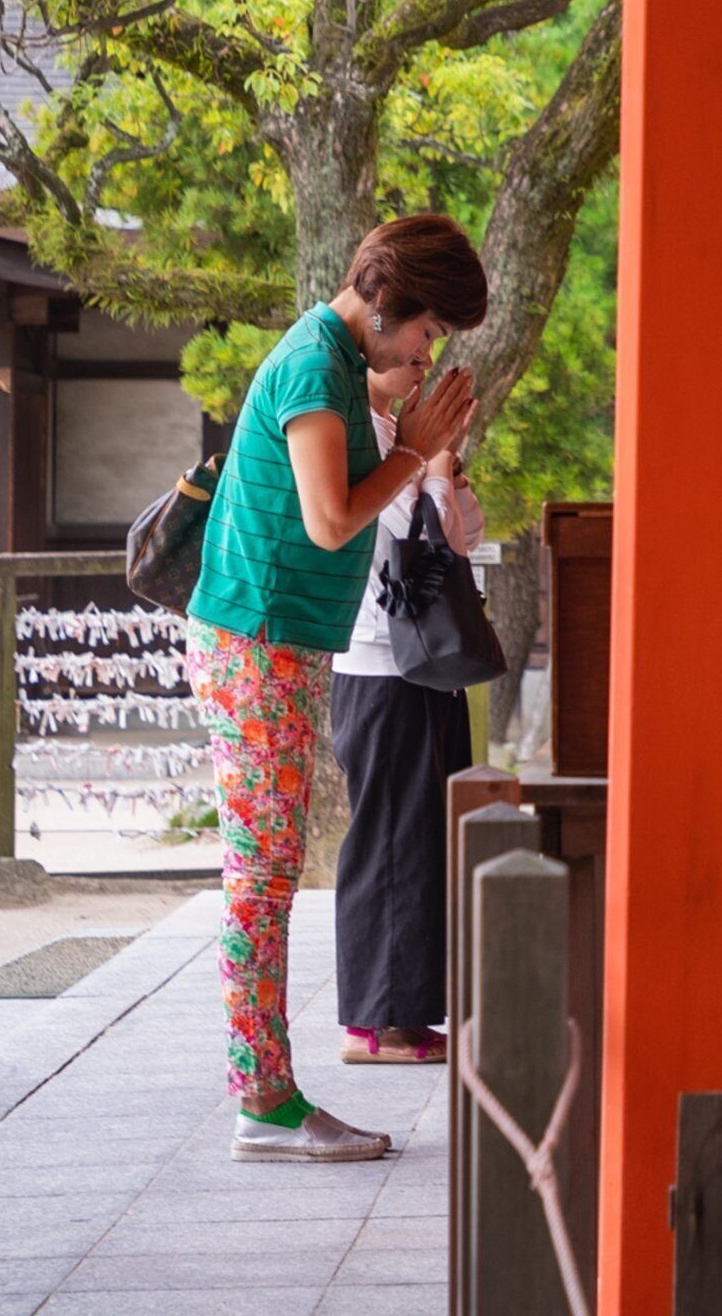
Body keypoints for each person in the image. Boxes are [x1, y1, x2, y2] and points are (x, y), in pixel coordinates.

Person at [185, 213, 486, 1163]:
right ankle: (264, 1100)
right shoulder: (316, 367)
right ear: (392, 303)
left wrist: (424, 446)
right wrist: (416, 444)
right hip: (258, 639)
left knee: (266, 874)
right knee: (262, 877)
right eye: (428, 331)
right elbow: (329, 521)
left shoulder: (330, 363)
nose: (425, 349)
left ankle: (265, 1092)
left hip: (274, 642)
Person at [328, 354, 485, 1065]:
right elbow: (429, 532)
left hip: (419, 663)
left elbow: (463, 531)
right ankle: (376, 1023)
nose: (424, 368)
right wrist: (433, 459)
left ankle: (405, 1015)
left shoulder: (398, 434)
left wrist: (439, 460)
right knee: (391, 839)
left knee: (420, 840)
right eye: (416, 352)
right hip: (379, 661)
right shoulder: (362, 431)